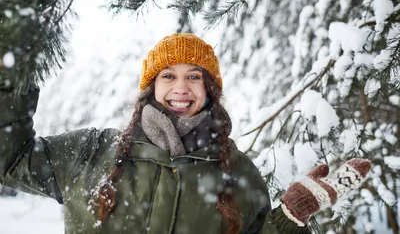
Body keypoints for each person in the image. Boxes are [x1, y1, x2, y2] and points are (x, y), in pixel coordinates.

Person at [0, 33, 371, 234]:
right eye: (168, 76)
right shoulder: (93, 151)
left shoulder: (238, 174)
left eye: (194, 76)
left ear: (210, 89)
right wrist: (11, 74)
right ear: (151, 87)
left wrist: (289, 217)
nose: (181, 87)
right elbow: (12, 160)